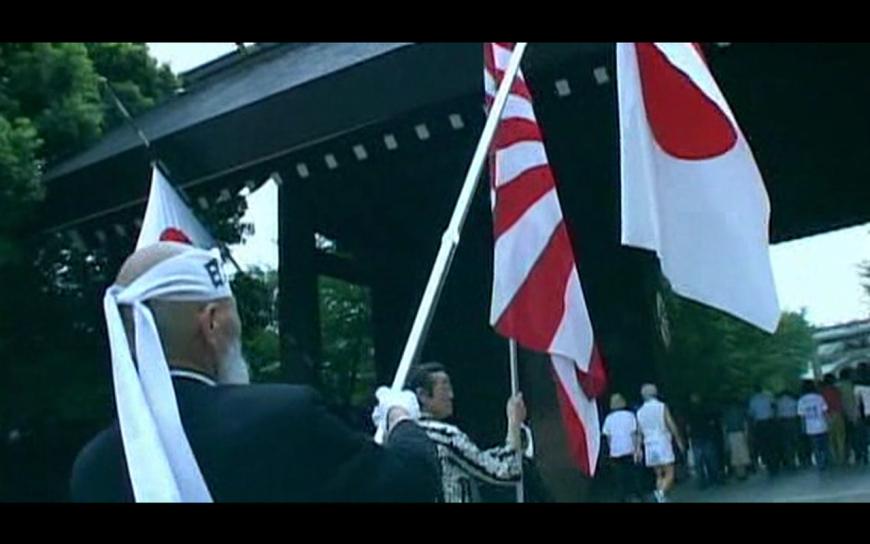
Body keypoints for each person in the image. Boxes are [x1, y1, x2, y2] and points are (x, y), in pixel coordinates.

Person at [71, 242, 441, 502]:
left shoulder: (93, 467)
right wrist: (401, 418)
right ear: (212, 323)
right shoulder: (284, 418)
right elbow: (411, 486)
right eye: (233, 313)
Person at [408, 362, 530, 503]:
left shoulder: (403, 438)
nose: (451, 395)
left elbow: (477, 459)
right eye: (444, 389)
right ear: (422, 395)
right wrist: (514, 422)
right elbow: (506, 472)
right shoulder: (445, 436)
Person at [636, 384, 685, 503]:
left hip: (649, 444)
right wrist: (678, 440)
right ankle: (660, 493)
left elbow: (639, 432)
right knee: (670, 473)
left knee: (659, 474)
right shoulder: (661, 406)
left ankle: (661, 499)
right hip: (662, 441)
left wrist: (638, 448)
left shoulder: (640, 411)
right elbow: (670, 424)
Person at [602, 393, 642, 502]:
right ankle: (636, 495)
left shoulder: (608, 419)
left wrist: (610, 449)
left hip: (615, 451)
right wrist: (637, 449)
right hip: (629, 449)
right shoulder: (630, 416)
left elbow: (608, 437)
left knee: (620, 476)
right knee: (632, 474)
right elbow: (634, 434)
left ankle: (622, 496)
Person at [686, 393, 722, 488]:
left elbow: (688, 426)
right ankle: (714, 478)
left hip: (697, 437)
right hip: (706, 437)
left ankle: (703, 481)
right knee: (711, 459)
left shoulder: (689, 411)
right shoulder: (706, 409)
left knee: (699, 462)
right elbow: (712, 422)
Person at [798, 380, 830, 472]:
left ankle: (820, 463)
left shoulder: (802, 400)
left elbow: (802, 416)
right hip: (822, 425)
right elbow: (825, 411)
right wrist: (828, 422)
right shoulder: (819, 398)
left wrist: (803, 428)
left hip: (810, 428)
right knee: (824, 445)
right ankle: (824, 459)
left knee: (815, 447)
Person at [747, 386, 781, 475]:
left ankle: (769, 463)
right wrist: (775, 416)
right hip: (770, 422)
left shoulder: (753, 400)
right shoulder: (768, 396)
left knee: (764, 445)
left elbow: (751, 414)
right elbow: (775, 407)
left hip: (760, 424)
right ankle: (775, 462)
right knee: (773, 443)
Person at [836, 367, 864, 465]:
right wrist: (856, 415)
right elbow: (854, 402)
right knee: (855, 436)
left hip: (840, 415)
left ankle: (845, 455)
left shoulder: (837, 387)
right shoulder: (852, 386)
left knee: (845, 437)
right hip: (852, 415)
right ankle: (858, 454)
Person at [820, 374, 846, 466]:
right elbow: (840, 403)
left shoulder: (822, 392)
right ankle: (841, 459)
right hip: (837, 415)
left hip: (827, 416)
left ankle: (834, 458)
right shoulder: (836, 391)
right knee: (840, 438)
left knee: (830, 439)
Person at [721, 401, 751, 480]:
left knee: (735, 455)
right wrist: (746, 434)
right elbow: (745, 423)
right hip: (740, 433)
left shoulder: (726, 413)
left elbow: (724, 426)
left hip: (731, 434)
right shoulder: (740, 411)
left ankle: (739, 474)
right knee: (742, 454)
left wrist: (725, 438)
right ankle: (743, 473)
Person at [775, 389, 801, 469]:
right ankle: (797, 458)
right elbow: (798, 411)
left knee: (786, 442)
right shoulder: (793, 401)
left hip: (783, 422)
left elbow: (776, 413)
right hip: (793, 421)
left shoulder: (778, 401)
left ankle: (790, 461)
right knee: (795, 440)